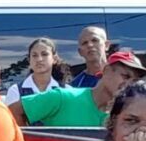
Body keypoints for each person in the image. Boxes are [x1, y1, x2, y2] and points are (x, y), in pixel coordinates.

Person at [10, 51, 145, 127]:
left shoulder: (125, 116)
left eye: (134, 80)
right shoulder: (63, 97)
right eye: (125, 76)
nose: (129, 84)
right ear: (107, 71)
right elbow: (12, 112)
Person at [3, 37, 69, 106]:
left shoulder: (66, 91)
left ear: (54, 59)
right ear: (29, 60)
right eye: (34, 55)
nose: (39, 59)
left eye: (44, 54)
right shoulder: (16, 91)